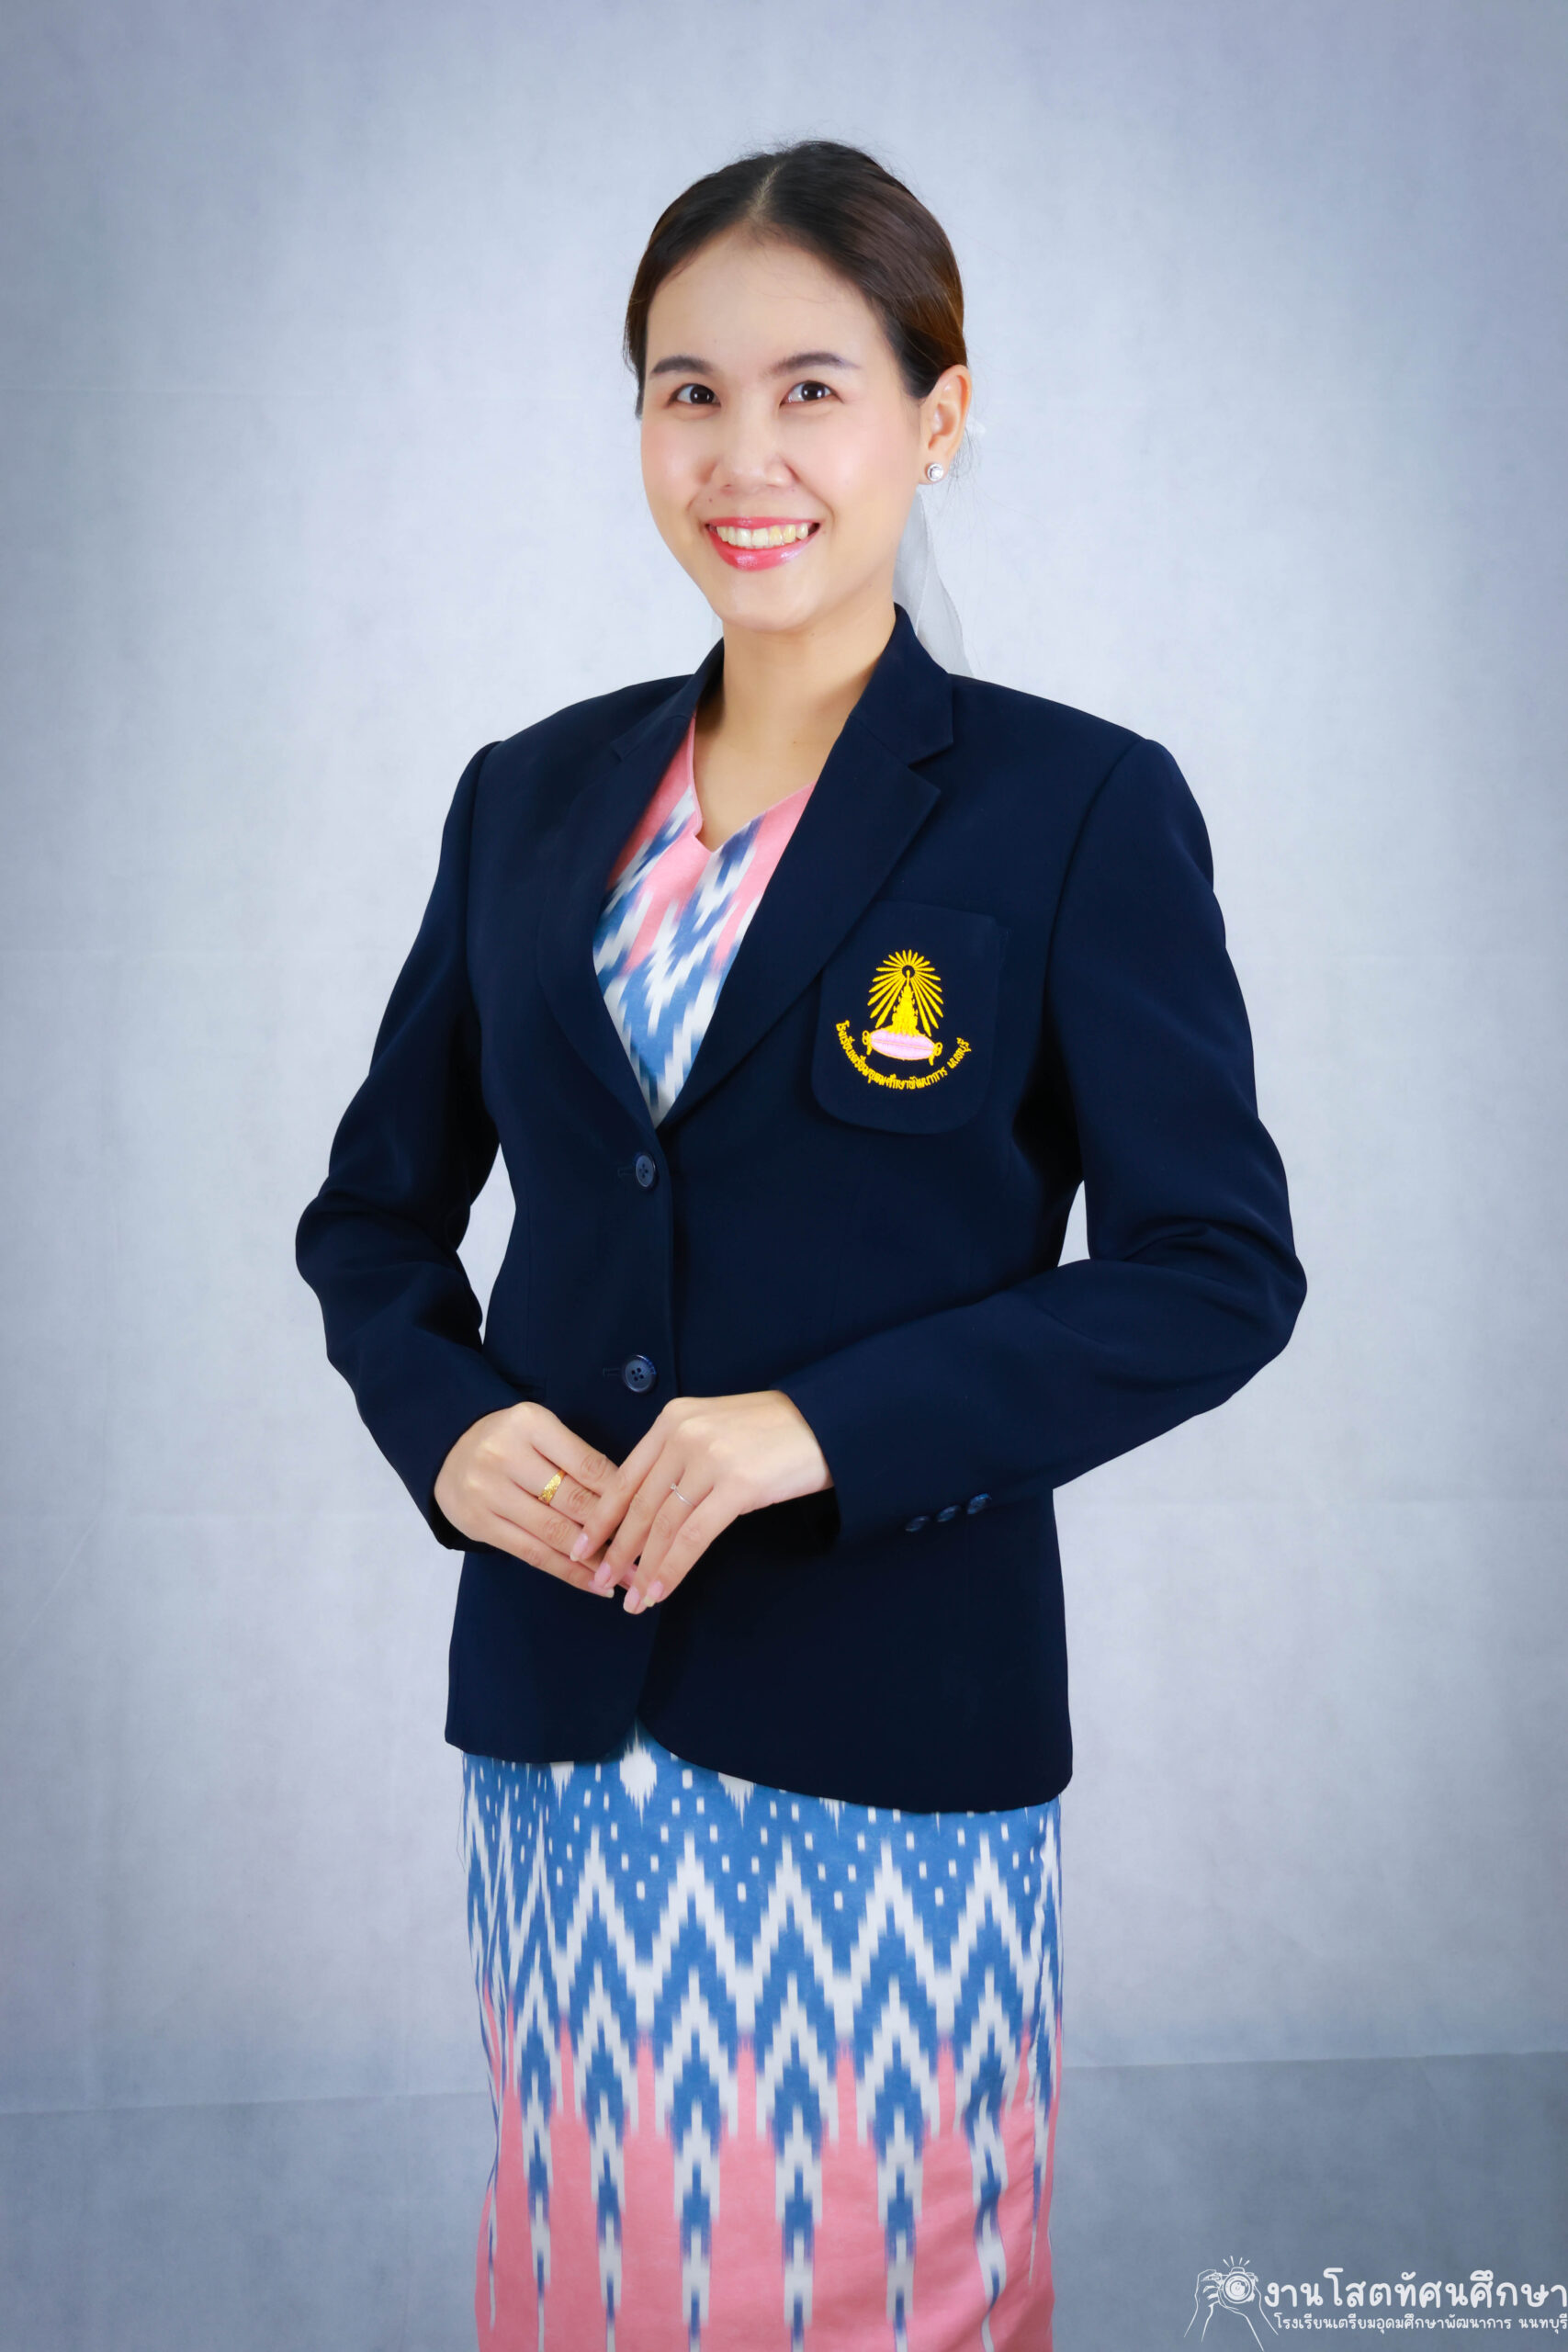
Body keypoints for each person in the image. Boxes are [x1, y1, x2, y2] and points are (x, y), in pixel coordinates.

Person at [295, 137, 1306, 2352]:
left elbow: (1214, 1267)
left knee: (887, 2292)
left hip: (889, 1723)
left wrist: (811, 1429)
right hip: (564, 1718)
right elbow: (372, 1215)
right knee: (582, 2278)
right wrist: (446, 1424)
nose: (741, 458)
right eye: (686, 392)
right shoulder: (526, 794)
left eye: (811, 390)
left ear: (938, 416)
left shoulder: (1070, 804)